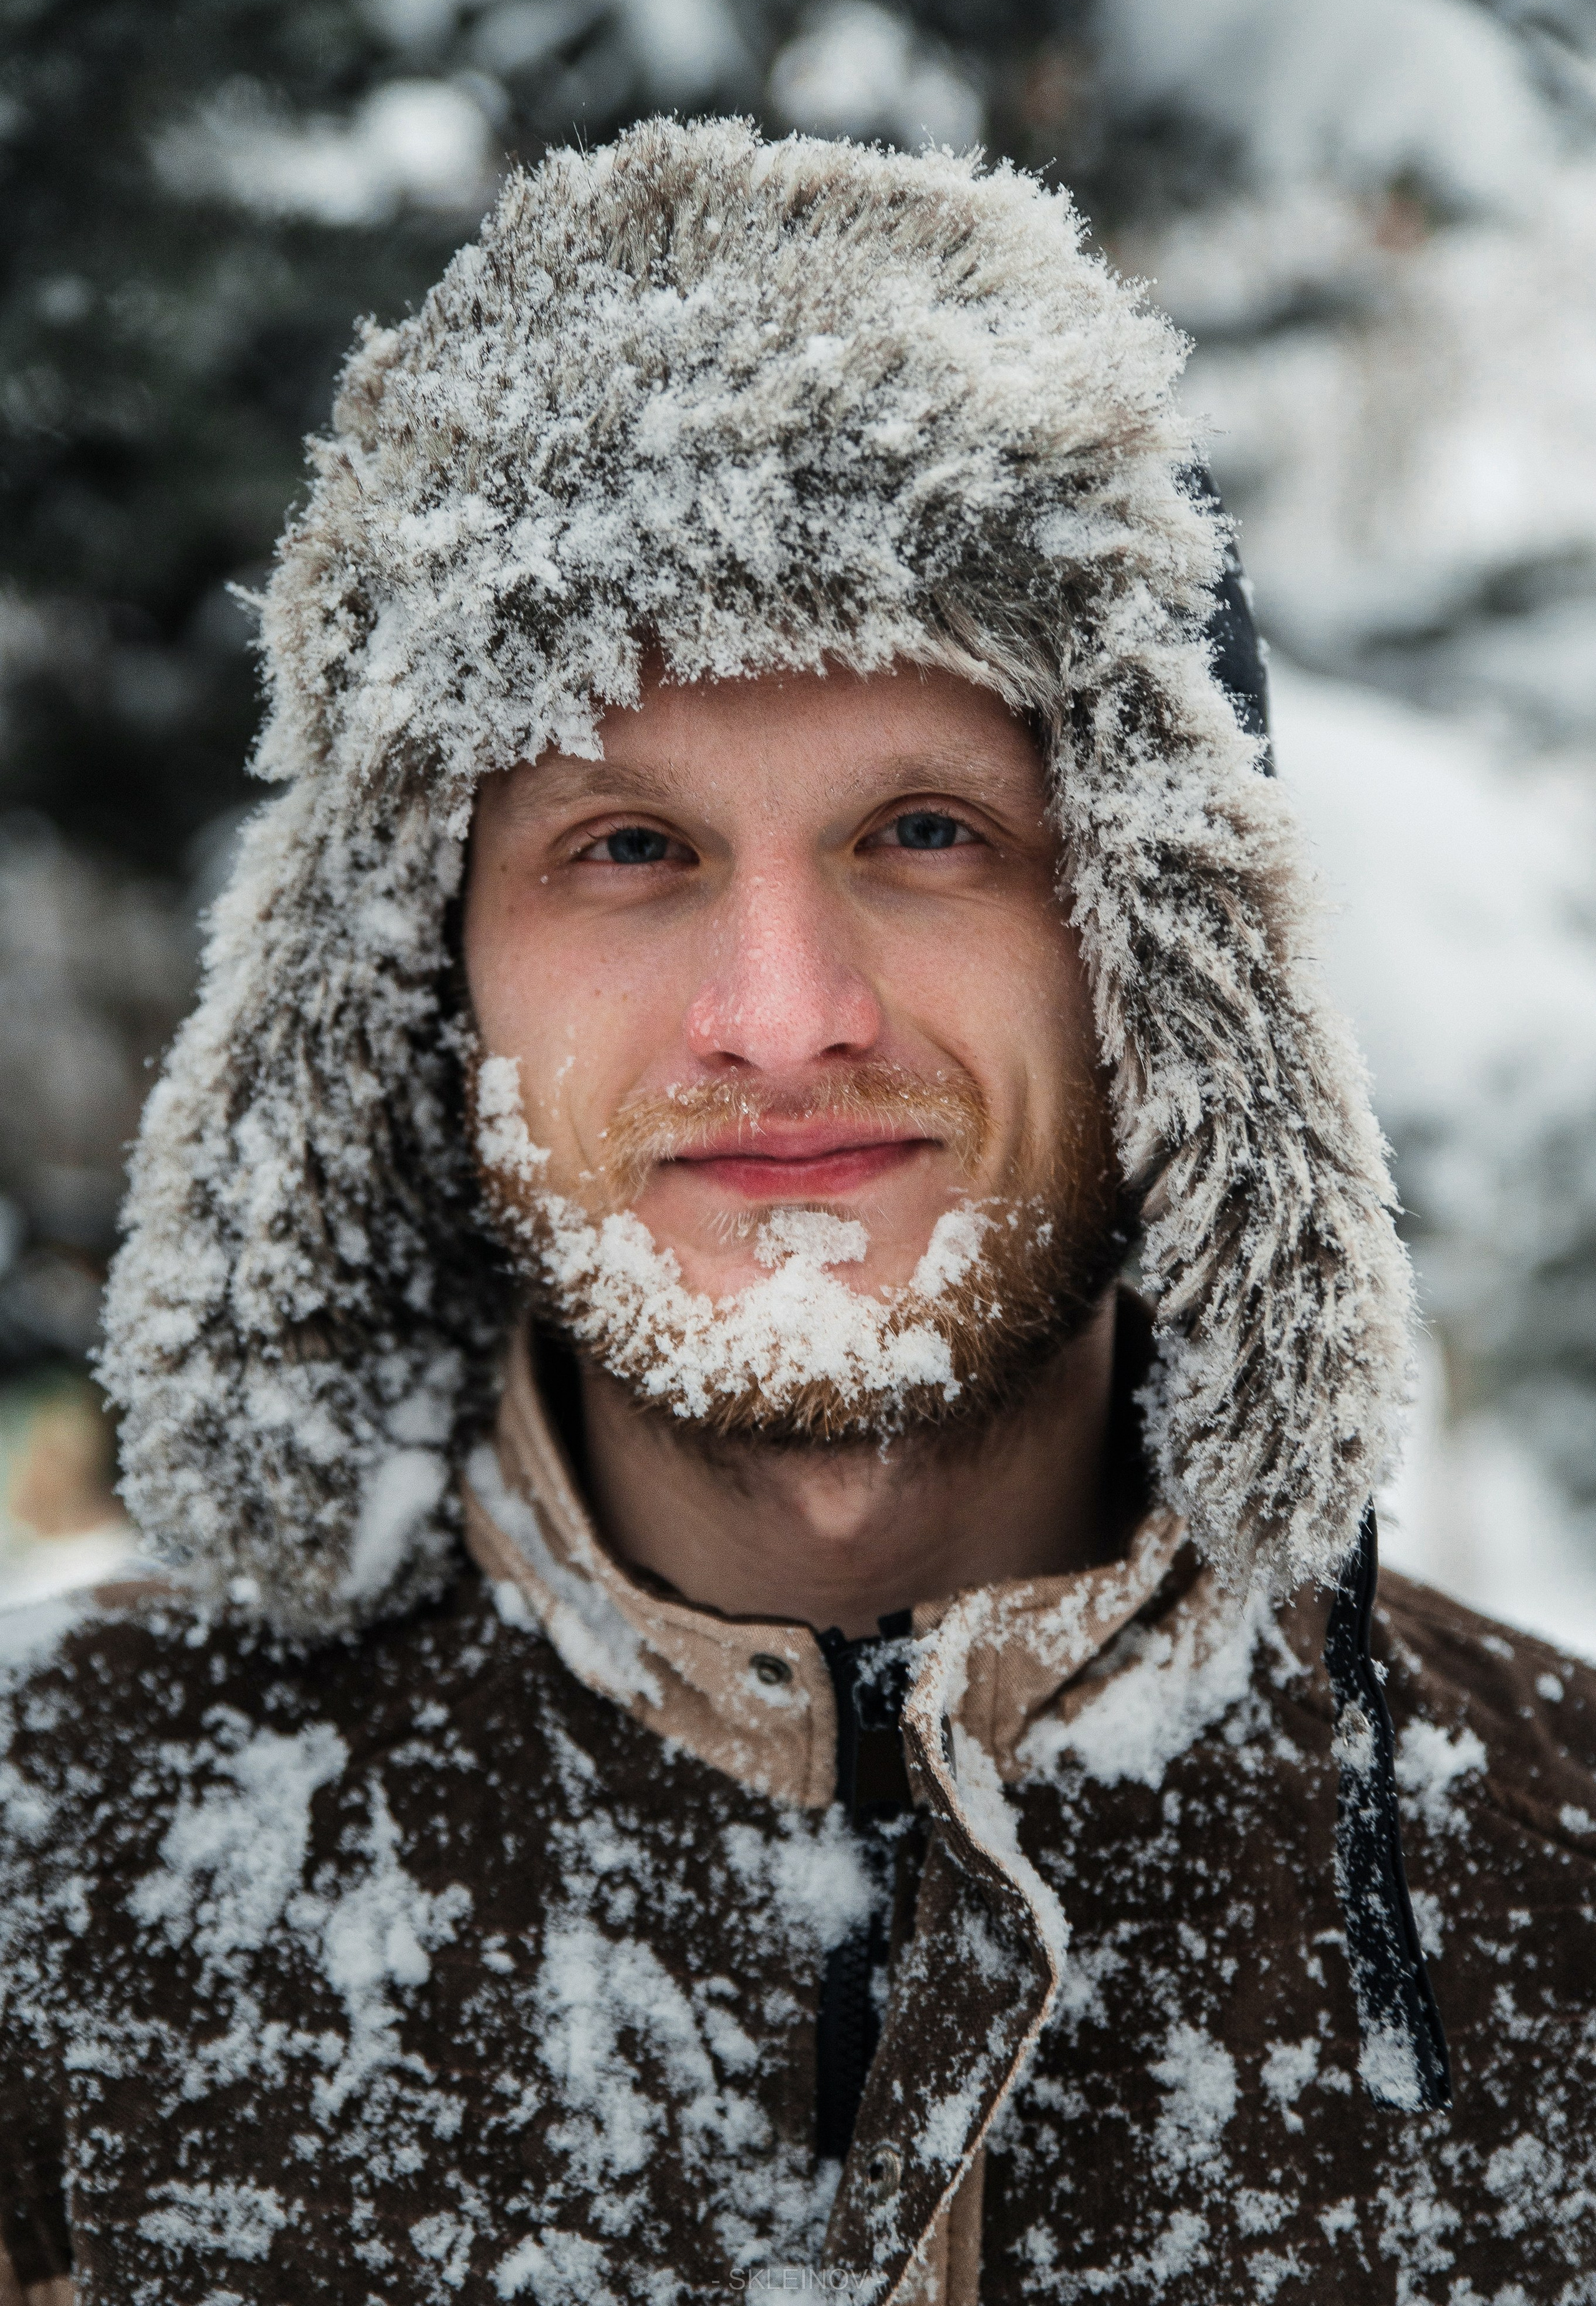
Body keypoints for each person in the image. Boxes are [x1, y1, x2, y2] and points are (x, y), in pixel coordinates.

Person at [2, 119, 1592, 2306]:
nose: (779, 1018)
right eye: (627, 849)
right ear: (425, 978)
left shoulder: (1556, 1908)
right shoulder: (50, 1873)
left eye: (927, 831)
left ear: (1167, 959)